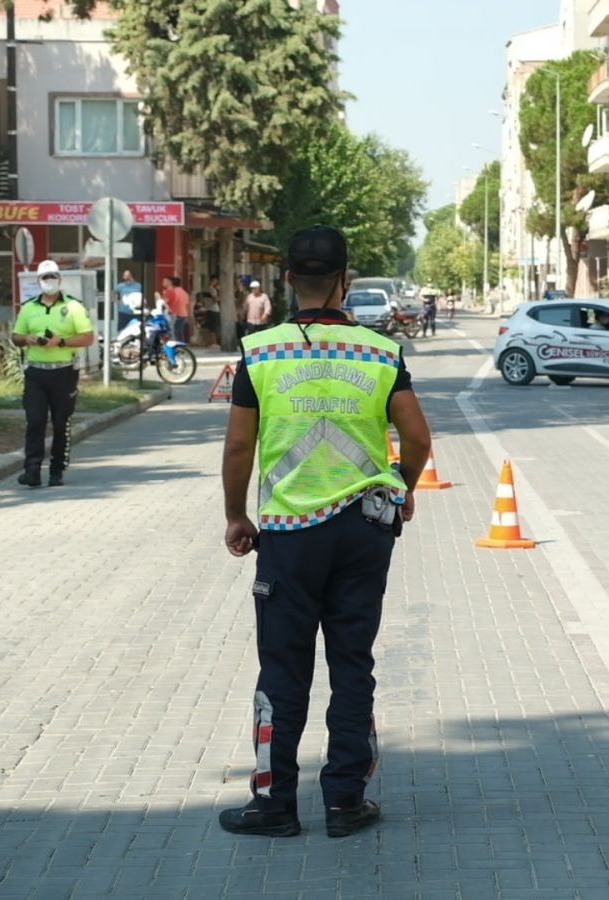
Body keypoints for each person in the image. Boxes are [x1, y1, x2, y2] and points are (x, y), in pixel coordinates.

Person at [219, 225, 433, 840]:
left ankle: (274, 805)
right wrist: (402, 484)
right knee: (351, 665)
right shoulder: (379, 352)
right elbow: (417, 439)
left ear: (288, 280)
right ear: (346, 279)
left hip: (287, 536)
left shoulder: (260, 353)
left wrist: (238, 515)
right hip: (364, 532)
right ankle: (345, 802)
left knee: (282, 671)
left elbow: (239, 449)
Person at [11, 260, 96, 488]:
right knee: (35, 421)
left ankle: (57, 470)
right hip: (36, 372)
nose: (49, 281)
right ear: (38, 281)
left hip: (64, 372)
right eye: (44, 277)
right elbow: (16, 336)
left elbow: (88, 337)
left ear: (59, 279)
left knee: (61, 422)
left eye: (52, 277)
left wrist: (62, 342)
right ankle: (32, 471)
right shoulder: (29, 307)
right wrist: (26, 339)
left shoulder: (74, 307)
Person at [161, 275, 191, 345]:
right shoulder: (184, 292)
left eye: (165, 281)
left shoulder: (171, 291)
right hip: (183, 313)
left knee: (173, 332)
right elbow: (187, 304)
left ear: (170, 282)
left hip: (174, 314)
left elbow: (165, 303)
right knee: (179, 332)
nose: (163, 282)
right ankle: (182, 347)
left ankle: (175, 347)